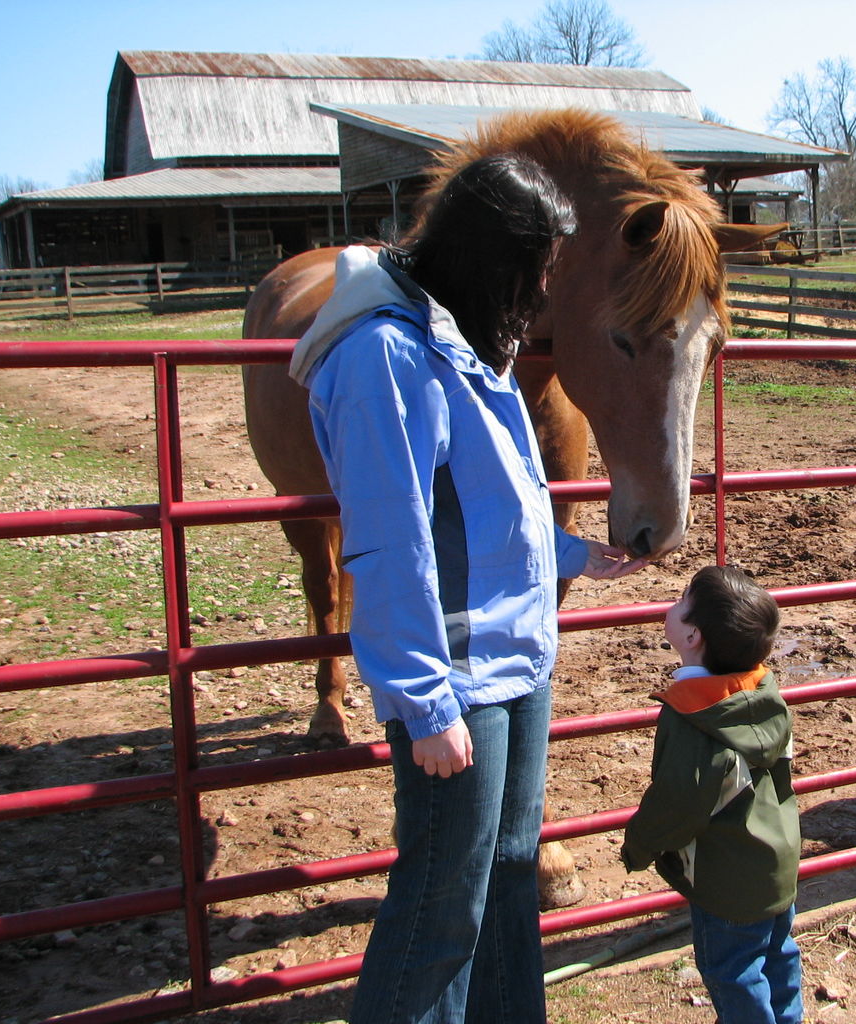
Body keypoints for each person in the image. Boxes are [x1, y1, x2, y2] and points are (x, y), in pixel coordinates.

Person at [289, 154, 644, 1024]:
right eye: (539, 269)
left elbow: (490, 494)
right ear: (493, 257)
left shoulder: (468, 336)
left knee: (512, 870)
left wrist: (565, 555)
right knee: (442, 904)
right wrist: (425, 702)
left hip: (518, 653)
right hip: (455, 673)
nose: (545, 288)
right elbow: (389, 539)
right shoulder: (384, 356)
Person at [621, 565, 803, 1024]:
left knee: (734, 973)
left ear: (693, 636)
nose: (674, 602)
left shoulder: (694, 720)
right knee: (779, 958)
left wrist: (639, 845)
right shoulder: (763, 692)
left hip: (727, 881)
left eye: (682, 600)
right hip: (777, 863)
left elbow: (678, 802)